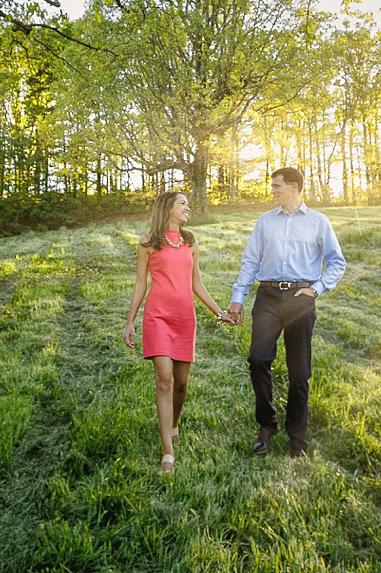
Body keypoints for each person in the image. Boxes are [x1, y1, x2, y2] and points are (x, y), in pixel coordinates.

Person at [225, 167, 345, 457]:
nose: (273, 190)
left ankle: (297, 438)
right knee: (258, 358)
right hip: (267, 295)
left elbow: (336, 262)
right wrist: (238, 298)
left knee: (299, 371)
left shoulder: (318, 221)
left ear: (294, 187)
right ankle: (266, 426)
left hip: (300, 298)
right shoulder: (265, 222)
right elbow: (251, 261)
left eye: (277, 186)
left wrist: (316, 289)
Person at [124, 191, 228, 474]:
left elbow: (197, 284)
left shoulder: (191, 242)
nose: (187, 207)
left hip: (185, 319)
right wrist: (130, 321)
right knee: (165, 381)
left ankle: (173, 423)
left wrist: (219, 313)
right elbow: (140, 284)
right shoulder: (147, 243)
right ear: (167, 207)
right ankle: (167, 453)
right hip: (157, 318)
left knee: (182, 384)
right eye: (182, 203)